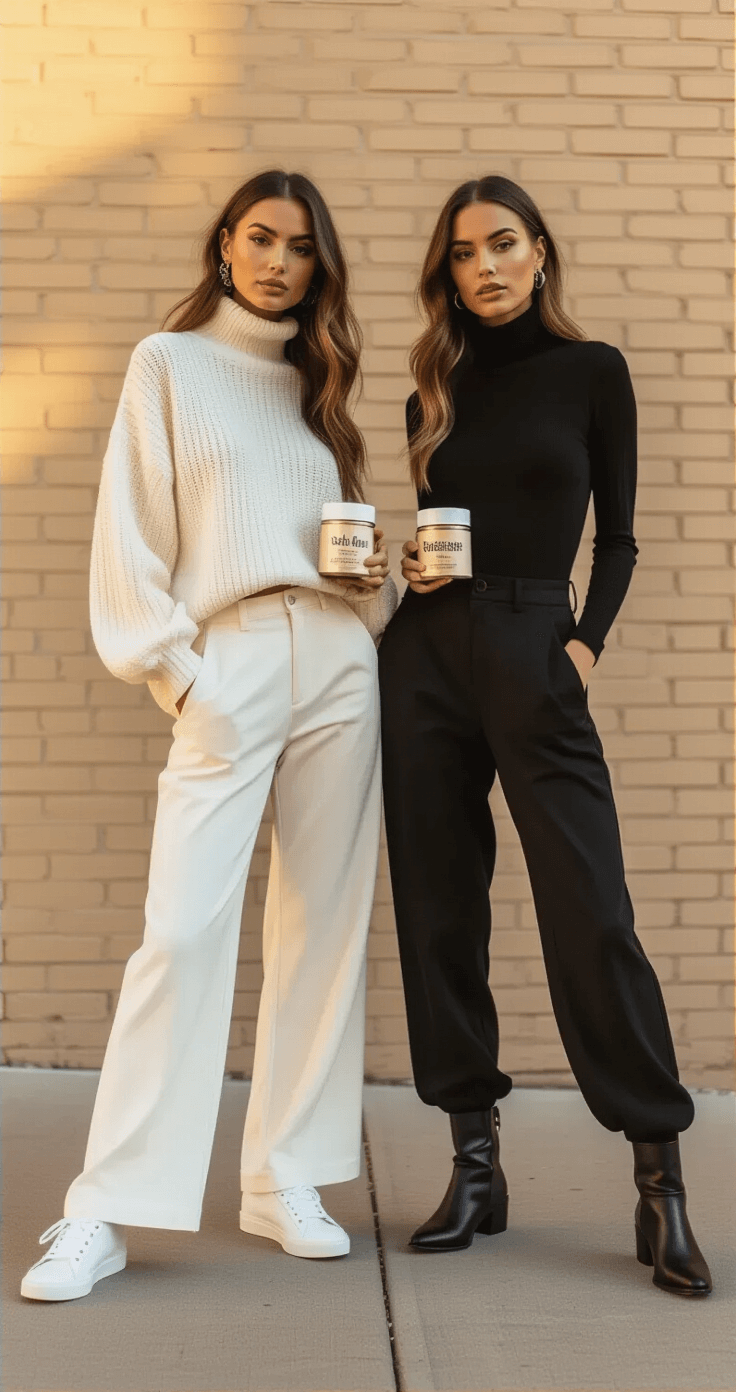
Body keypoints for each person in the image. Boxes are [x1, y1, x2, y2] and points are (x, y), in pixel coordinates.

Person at [22, 169, 397, 1303]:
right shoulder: (168, 364)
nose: (278, 262)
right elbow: (130, 531)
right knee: (181, 931)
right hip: (225, 659)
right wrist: (180, 674)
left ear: (319, 267)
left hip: (338, 658)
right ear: (225, 246)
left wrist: (371, 587)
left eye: (299, 248)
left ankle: (286, 1176)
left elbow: (339, 547)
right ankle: (106, 1209)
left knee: (324, 924)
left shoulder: (319, 387)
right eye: (259, 238)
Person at [378, 175, 711, 1296]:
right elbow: (425, 535)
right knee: (437, 910)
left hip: (533, 644)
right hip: (423, 653)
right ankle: (475, 1169)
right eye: (462, 252)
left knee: (589, 910)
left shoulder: (592, 372)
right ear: (447, 272)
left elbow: (616, 539)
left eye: (501, 244)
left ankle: (658, 1183)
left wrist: (579, 651)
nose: (483, 266)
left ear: (537, 253)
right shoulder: (431, 385)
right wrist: (401, 570)